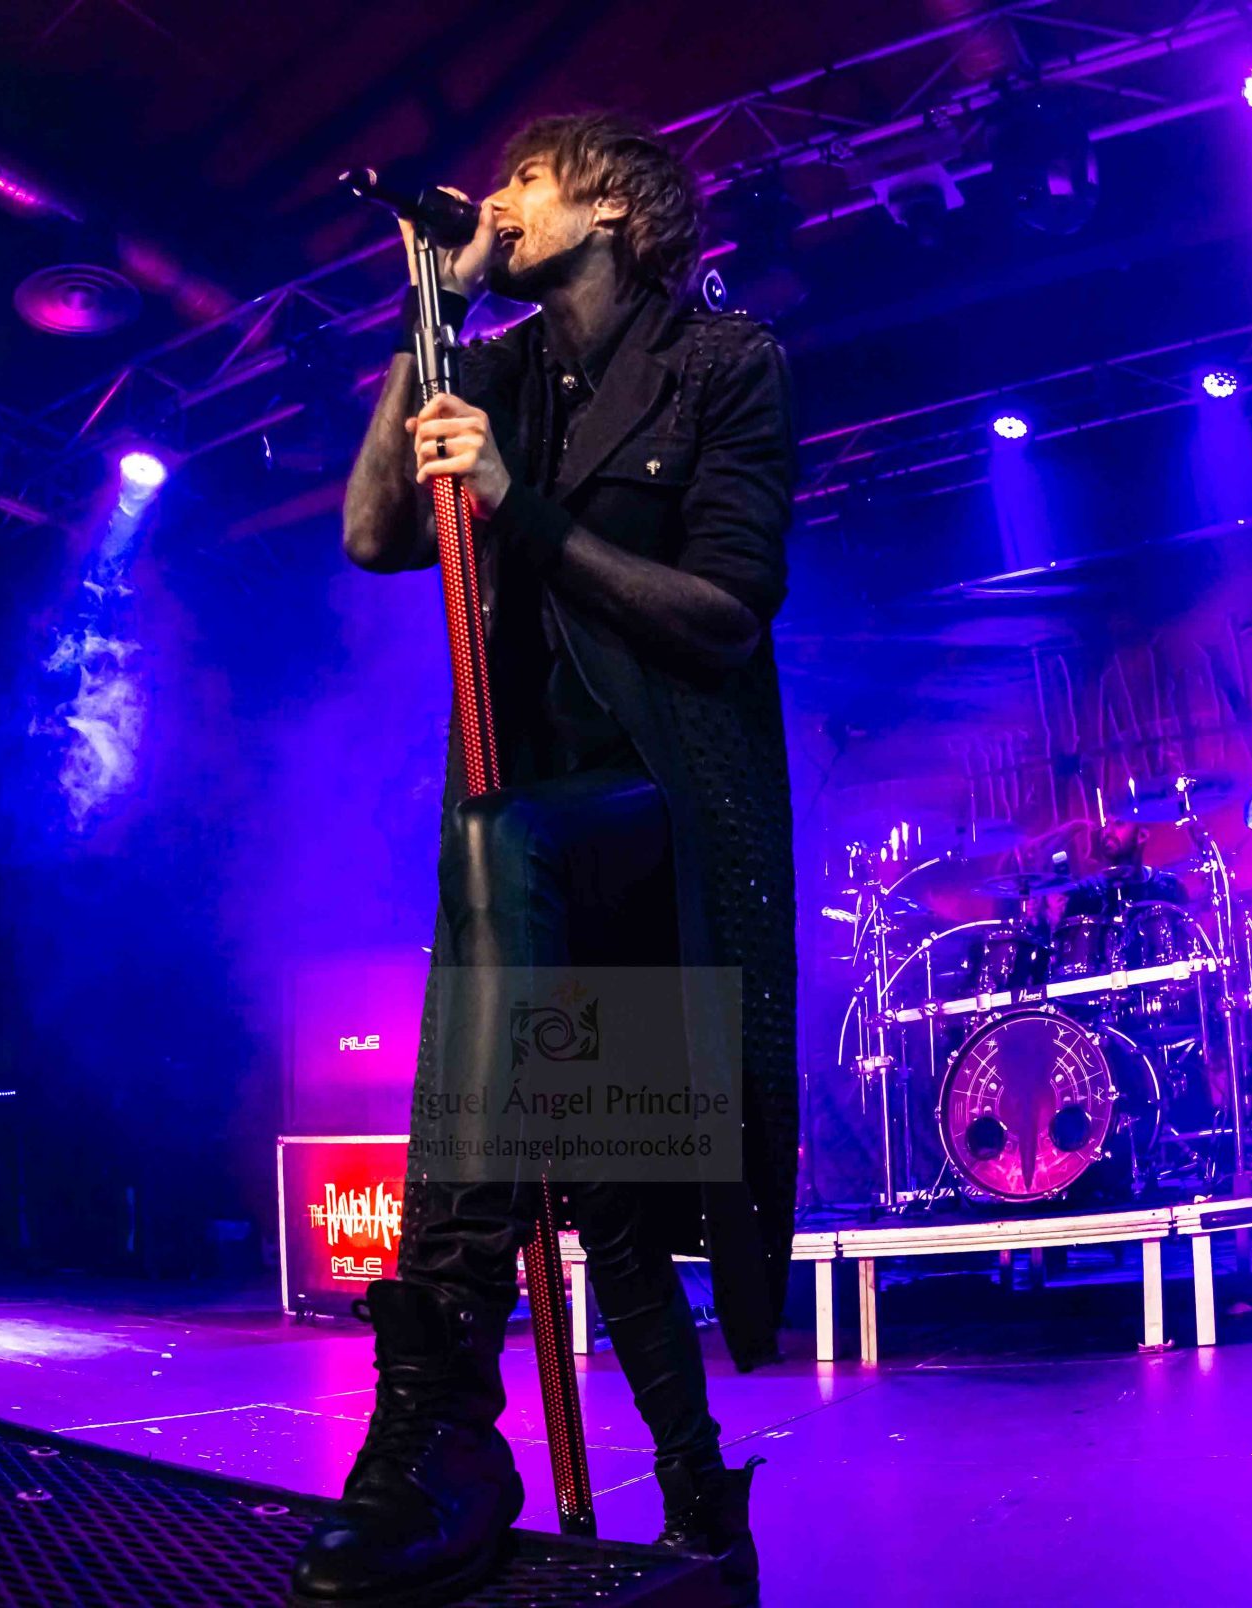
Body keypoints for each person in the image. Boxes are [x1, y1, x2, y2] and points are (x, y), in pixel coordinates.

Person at [289, 113, 798, 1607]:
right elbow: (374, 533)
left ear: (614, 208)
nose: (499, 198)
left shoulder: (721, 363)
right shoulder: (494, 371)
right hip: (528, 832)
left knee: (498, 854)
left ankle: (442, 1415)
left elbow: (726, 613)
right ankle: (704, 1508)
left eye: (527, 178)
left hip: (661, 812)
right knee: (611, 1184)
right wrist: (430, 317)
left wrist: (525, 507)